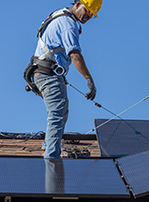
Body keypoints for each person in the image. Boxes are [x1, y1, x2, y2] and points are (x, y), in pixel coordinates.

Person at [24, 0, 102, 158]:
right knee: (57, 112)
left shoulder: (59, 15)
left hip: (41, 72)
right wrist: (89, 79)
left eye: (91, 15)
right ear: (78, 4)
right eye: (87, 11)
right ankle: (51, 156)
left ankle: (49, 145)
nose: (87, 16)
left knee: (59, 110)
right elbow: (74, 54)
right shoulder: (68, 23)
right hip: (47, 73)